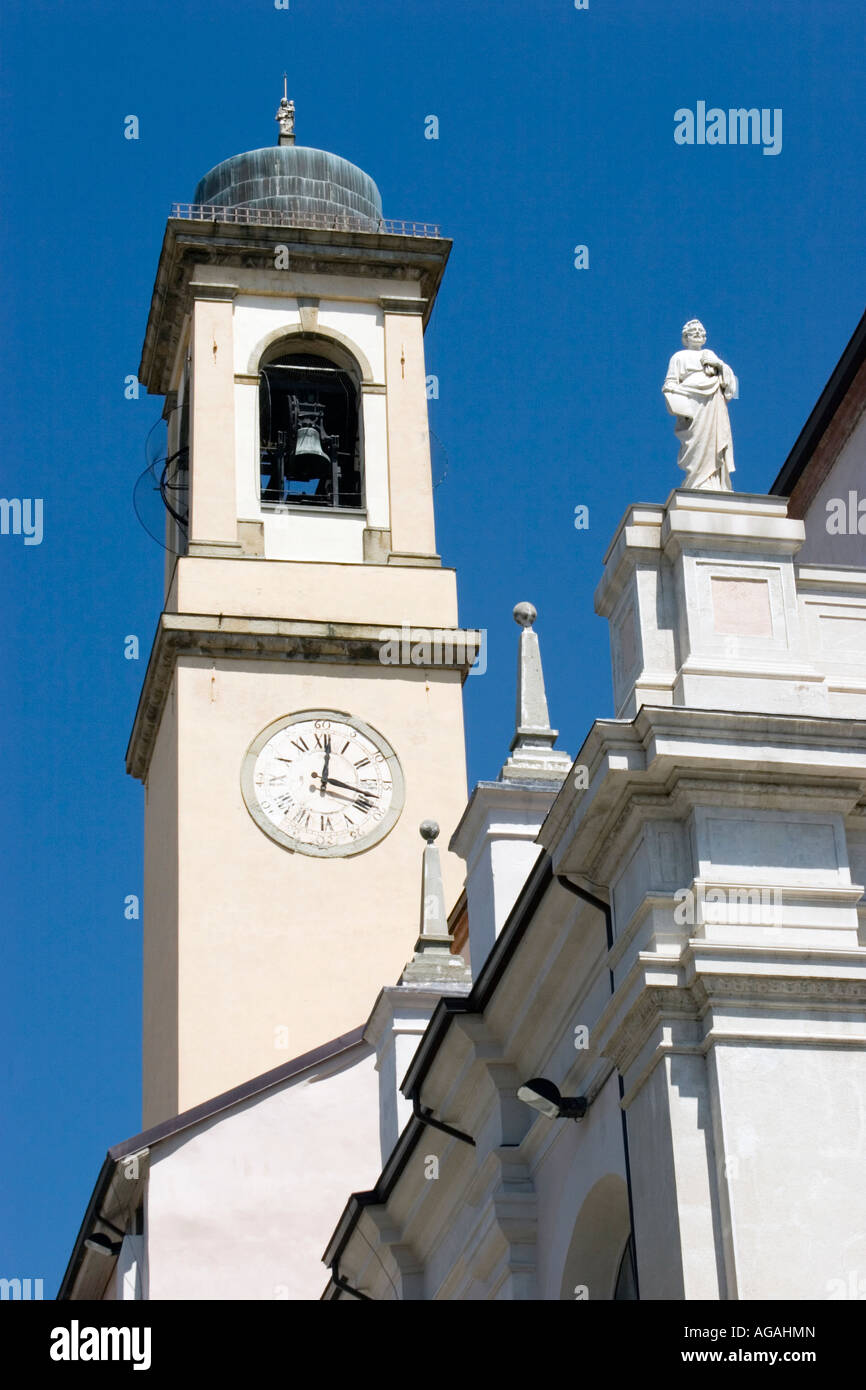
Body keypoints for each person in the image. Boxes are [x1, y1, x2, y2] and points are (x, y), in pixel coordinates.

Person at [662, 320, 738, 490]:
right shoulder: (679, 357)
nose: (697, 333)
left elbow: (733, 386)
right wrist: (676, 397)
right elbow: (670, 383)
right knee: (697, 442)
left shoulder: (711, 355)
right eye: (693, 331)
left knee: (714, 438)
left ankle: (714, 481)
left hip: (713, 402)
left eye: (700, 330)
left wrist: (718, 364)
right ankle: (698, 481)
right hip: (692, 404)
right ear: (686, 337)